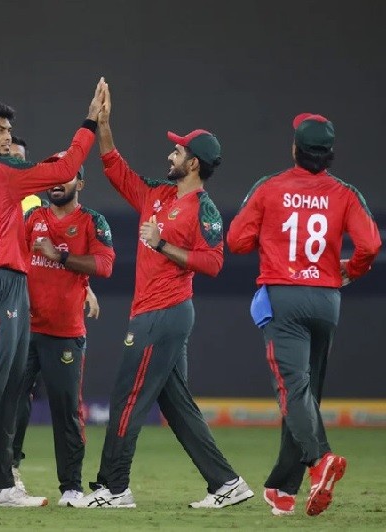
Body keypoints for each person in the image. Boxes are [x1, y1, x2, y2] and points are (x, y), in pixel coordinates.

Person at [70, 81, 251, 510]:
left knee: (126, 397)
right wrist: (103, 123)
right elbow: (115, 168)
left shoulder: (203, 208)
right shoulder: (158, 194)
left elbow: (213, 263)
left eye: (177, 151)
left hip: (164, 313)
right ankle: (227, 483)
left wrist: (162, 244)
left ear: (193, 163)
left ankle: (114, 488)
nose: (170, 155)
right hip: (154, 313)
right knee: (178, 406)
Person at [0, 78, 104, 508]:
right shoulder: (4, 174)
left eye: (10, 130)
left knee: (10, 387)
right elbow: (65, 169)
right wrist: (90, 122)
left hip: (0, 282)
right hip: (0, 283)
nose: (8, 137)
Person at [227, 113, 381, 517]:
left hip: (285, 297)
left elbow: (237, 241)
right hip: (327, 299)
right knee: (305, 394)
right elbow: (370, 245)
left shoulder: (270, 187)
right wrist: (351, 270)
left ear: (295, 149)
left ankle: (320, 460)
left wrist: (271, 236)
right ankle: (283, 486)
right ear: (329, 153)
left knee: (292, 388)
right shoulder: (345, 193)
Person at [12, 153, 115, 507]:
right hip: (25, 329)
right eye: (53, 175)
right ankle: (3, 476)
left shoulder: (92, 221)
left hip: (65, 333)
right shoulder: (32, 218)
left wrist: (61, 257)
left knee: (66, 410)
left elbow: (104, 265)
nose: (57, 182)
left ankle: (71, 486)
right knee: (11, 404)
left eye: (66, 176)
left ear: (80, 183)